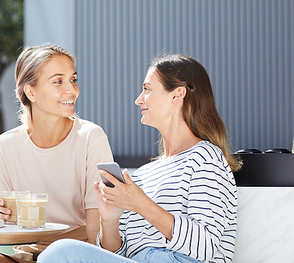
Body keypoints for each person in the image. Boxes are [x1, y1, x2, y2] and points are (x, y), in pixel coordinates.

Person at [37, 54, 241, 263]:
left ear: (177, 95)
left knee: (61, 253)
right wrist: (110, 219)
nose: (138, 99)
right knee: (58, 253)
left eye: (147, 89)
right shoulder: (144, 175)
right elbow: (117, 255)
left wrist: (140, 203)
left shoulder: (205, 157)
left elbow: (205, 246)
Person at [0, 44, 114, 263]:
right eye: (58, 81)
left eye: (73, 79)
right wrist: (1, 216)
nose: (71, 90)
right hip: (29, 254)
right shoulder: (6, 145)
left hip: (75, 254)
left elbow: (98, 226)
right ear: (30, 92)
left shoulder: (90, 137)